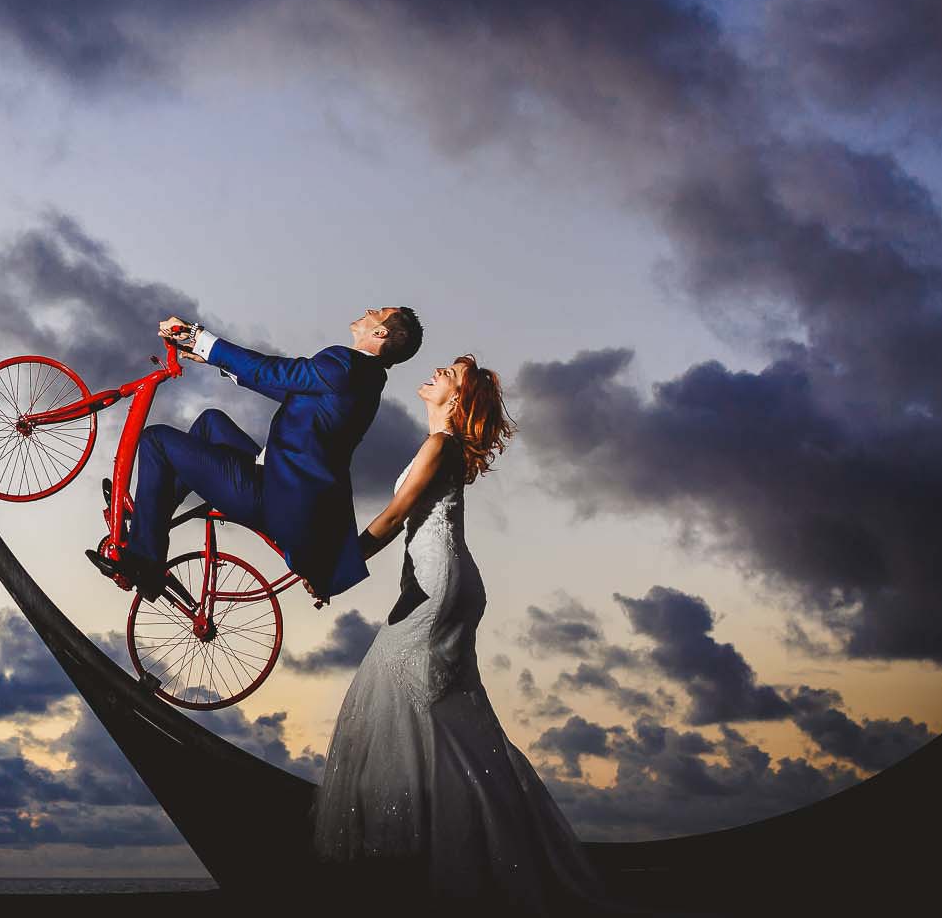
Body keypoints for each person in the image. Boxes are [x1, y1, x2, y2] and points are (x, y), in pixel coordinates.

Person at [312, 355, 630, 912]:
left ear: (456, 400)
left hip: (440, 587)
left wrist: (336, 569)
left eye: (449, 374)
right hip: (442, 582)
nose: (436, 372)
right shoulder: (438, 444)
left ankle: (434, 854)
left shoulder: (441, 447)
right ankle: (471, 841)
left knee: (396, 696)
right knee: (441, 717)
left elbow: (393, 516)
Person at [94, 306, 421, 602]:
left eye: (378, 312)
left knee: (156, 440)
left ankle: (143, 564)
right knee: (212, 422)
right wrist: (212, 358)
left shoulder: (346, 366)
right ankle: (148, 522)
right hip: (279, 481)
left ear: (380, 333)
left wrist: (198, 337)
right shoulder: (364, 378)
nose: (368, 310)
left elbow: (273, 371)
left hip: (271, 497)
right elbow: (287, 388)